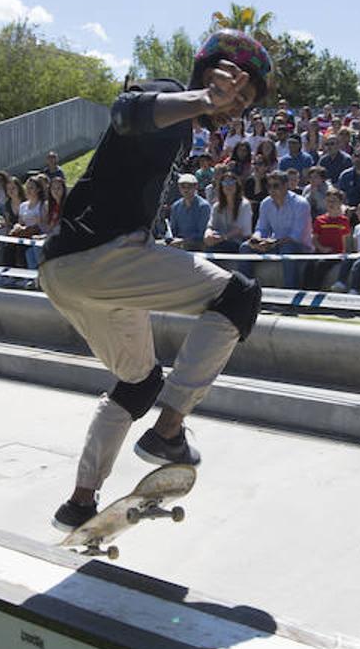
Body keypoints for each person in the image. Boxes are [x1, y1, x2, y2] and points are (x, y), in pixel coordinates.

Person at [39, 31, 271, 533]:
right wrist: (202, 99)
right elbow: (127, 111)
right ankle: (169, 430)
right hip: (102, 256)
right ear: (210, 73)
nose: (235, 110)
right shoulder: (168, 94)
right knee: (238, 296)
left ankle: (79, 502)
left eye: (245, 104)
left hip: (64, 270)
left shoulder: (182, 130)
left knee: (137, 383)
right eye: (234, 94)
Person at [241, 170, 314, 289]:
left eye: (276, 186)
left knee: (287, 248)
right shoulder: (266, 203)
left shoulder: (301, 204)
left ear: (286, 186)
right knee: (245, 247)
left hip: (300, 247)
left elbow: (296, 236)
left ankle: (290, 293)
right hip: (275, 244)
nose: (271, 190)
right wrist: (256, 239)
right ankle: (246, 290)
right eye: (269, 186)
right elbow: (262, 228)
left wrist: (272, 243)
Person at [308, 188, 351, 291]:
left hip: (336, 254)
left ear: (340, 202)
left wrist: (345, 254)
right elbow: (314, 239)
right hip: (321, 251)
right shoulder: (320, 220)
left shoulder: (344, 221)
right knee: (309, 265)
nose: (330, 204)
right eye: (328, 201)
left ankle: (316, 291)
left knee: (321, 265)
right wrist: (321, 248)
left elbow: (347, 239)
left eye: (334, 201)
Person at [203, 174, 253, 257]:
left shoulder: (244, 204)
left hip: (240, 241)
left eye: (231, 182)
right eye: (225, 183)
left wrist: (222, 238)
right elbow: (211, 226)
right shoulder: (217, 206)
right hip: (222, 240)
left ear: (237, 185)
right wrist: (207, 234)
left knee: (213, 248)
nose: (228, 185)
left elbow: (239, 230)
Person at [165, 174, 211, 249]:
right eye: (183, 186)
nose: (186, 190)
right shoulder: (175, 206)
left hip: (198, 246)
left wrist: (183, 241)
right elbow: (173, 229)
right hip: (178, 245)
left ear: (196, 187)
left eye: (189, 186)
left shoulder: (204, 206)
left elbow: (202, 234)